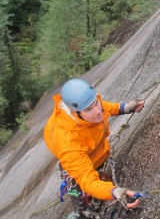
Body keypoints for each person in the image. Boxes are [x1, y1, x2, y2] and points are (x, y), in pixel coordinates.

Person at [44, 78, 145, 219]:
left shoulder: (88, 104)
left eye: (96, 103)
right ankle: (80, 213)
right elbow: (88, 180)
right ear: (75, 112)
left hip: (94, 150)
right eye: (89, 109)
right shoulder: (68, 142)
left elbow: (102, 107)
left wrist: (124, 108)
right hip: (77, 156)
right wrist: (113, 192)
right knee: (80, 193)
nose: (98, 111)